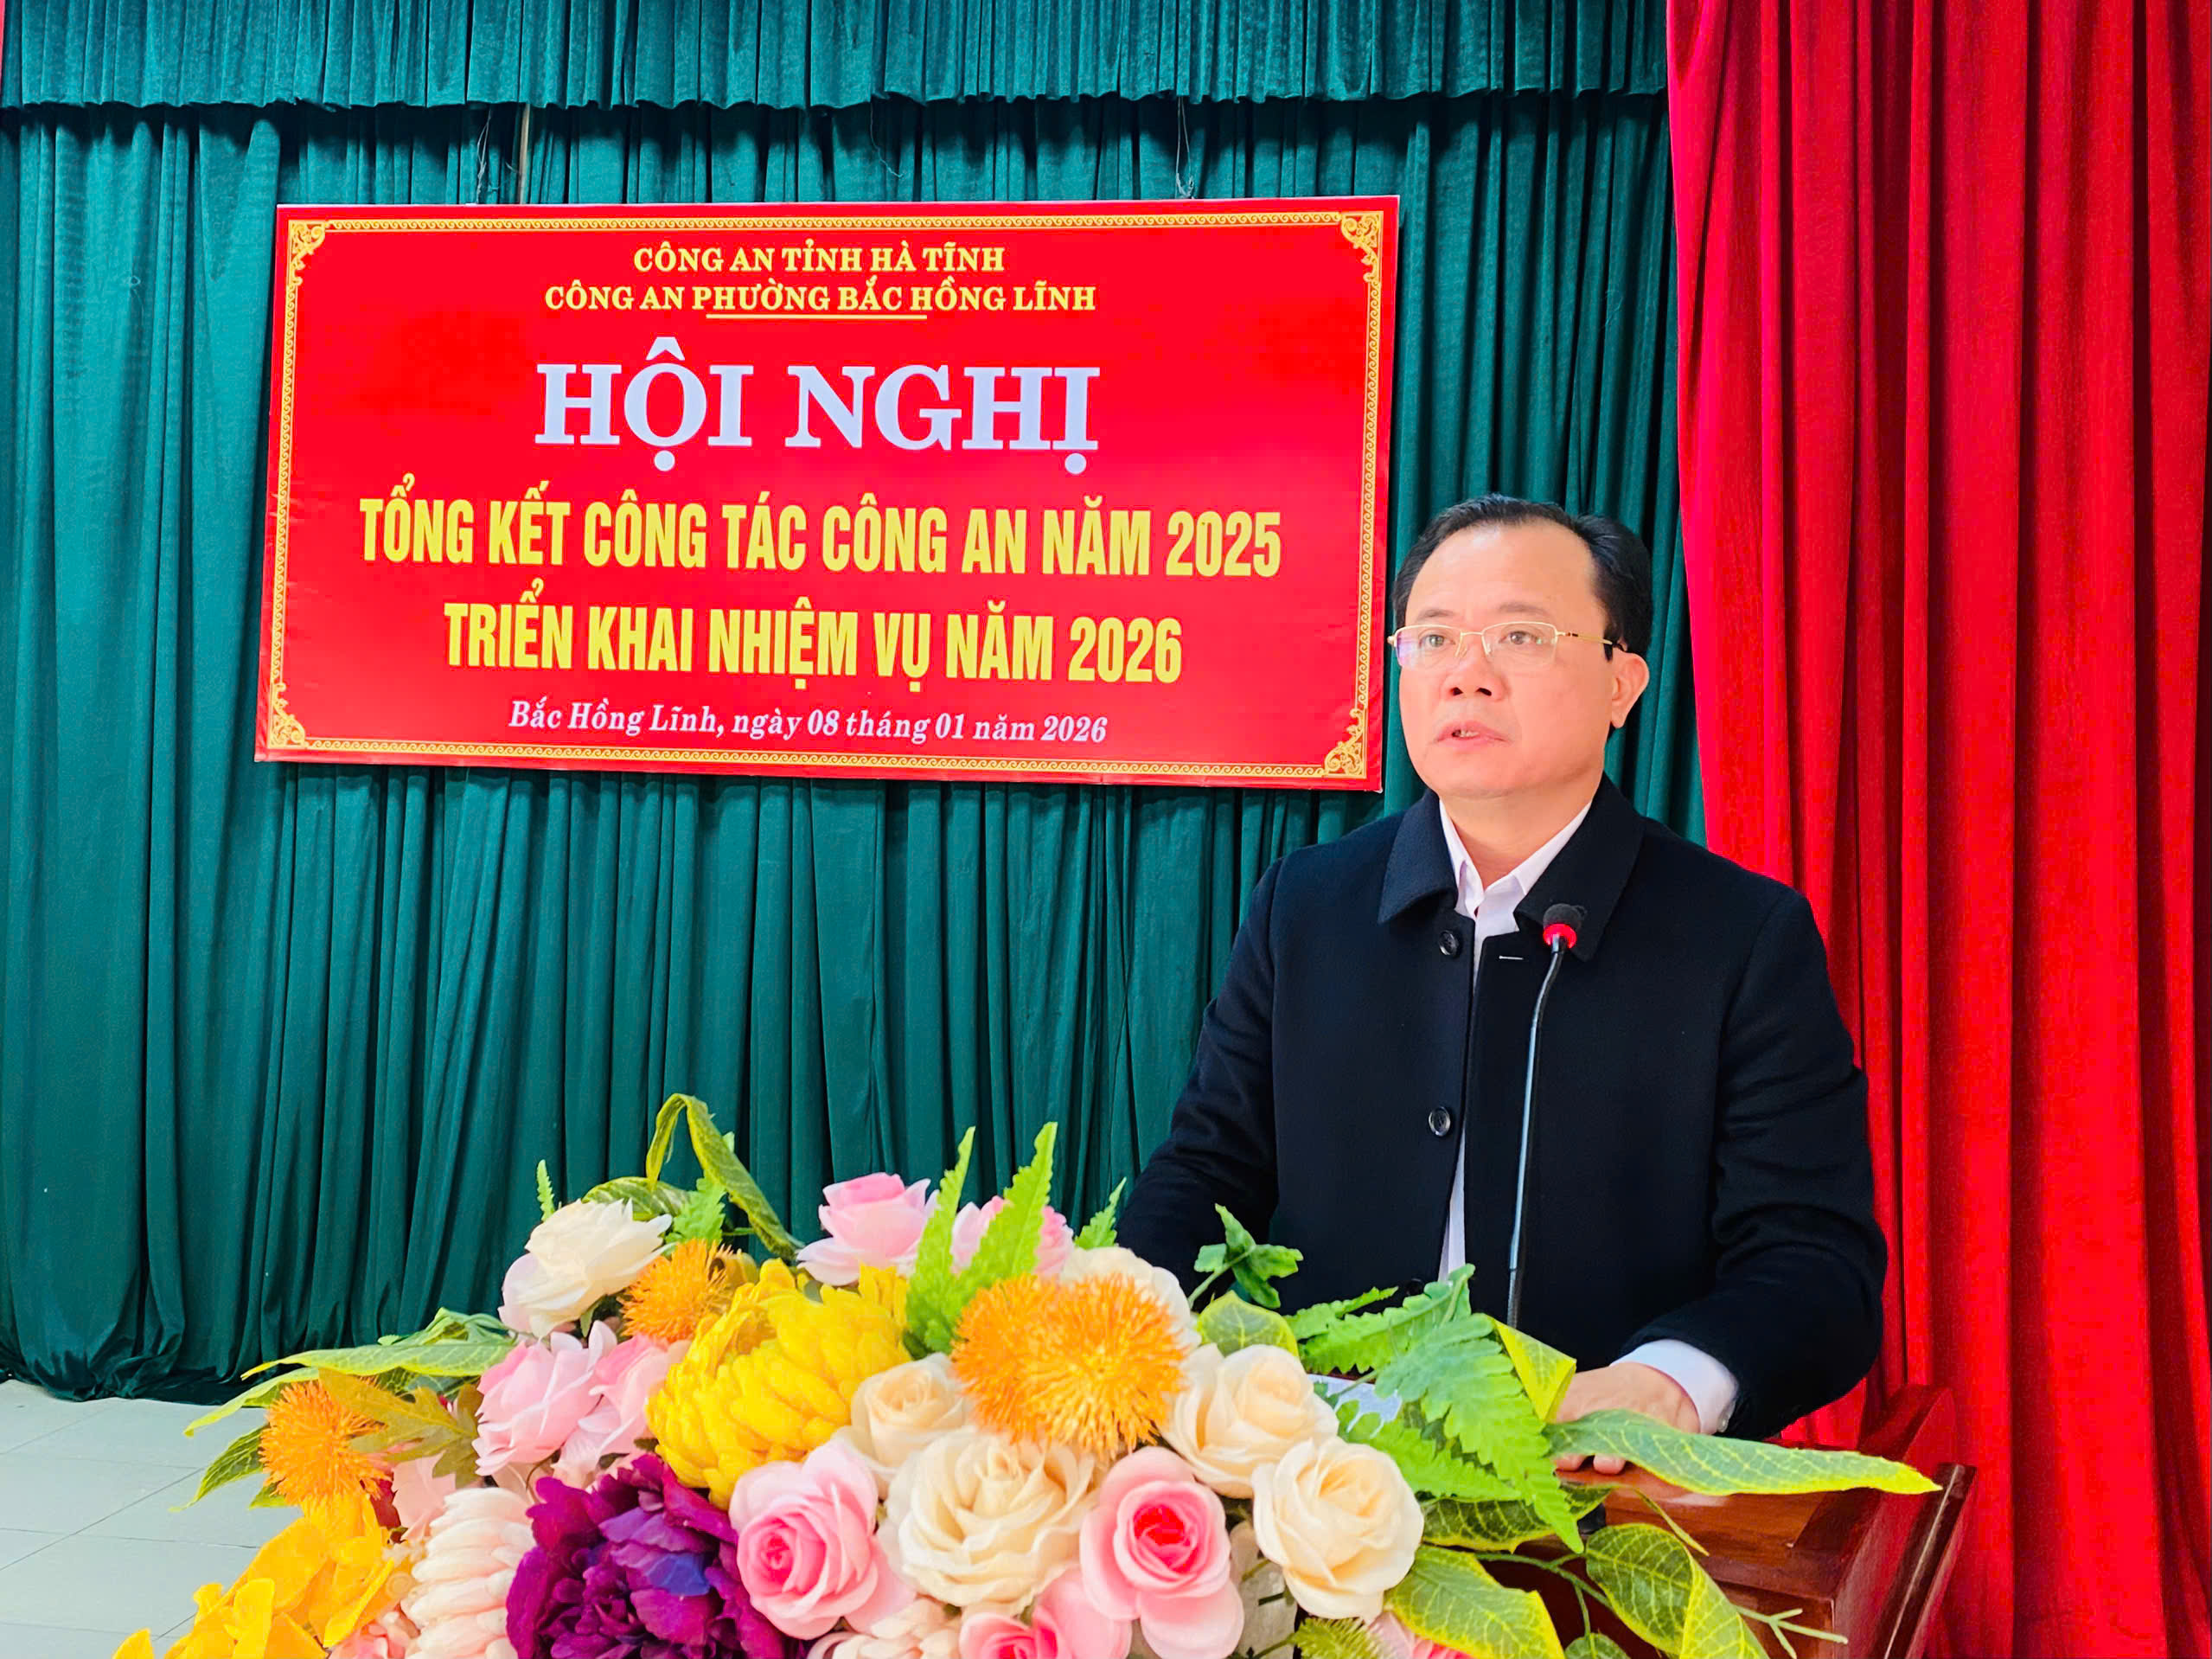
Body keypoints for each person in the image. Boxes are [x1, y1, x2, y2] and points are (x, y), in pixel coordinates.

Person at [1118, 495, 1884, 1448]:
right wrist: (1115, 1332)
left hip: (1597, 1483)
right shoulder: (1304, 906)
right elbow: (1205, 1172)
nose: (1466, 675)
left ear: (1622, 685)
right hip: (1317, 1469)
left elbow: (1813, 1264)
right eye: (1433, 639)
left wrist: (1665, 1385)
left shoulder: (1740, 936)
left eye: (1520, 636)